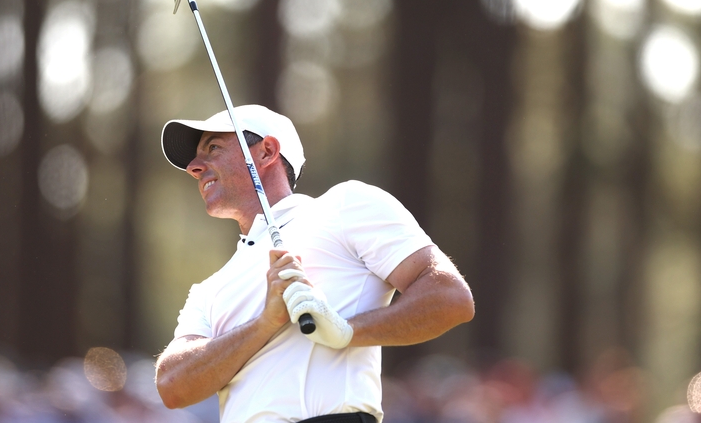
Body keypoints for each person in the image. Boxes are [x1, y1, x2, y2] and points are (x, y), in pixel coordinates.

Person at [155, 104, 475, 423]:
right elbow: (172, 387)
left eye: (213, 147)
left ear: (266, 152)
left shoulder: (344, 206)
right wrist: (265, 323)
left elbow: (450, 298)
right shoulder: (208, 289)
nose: (194, 167)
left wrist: (348, 332)